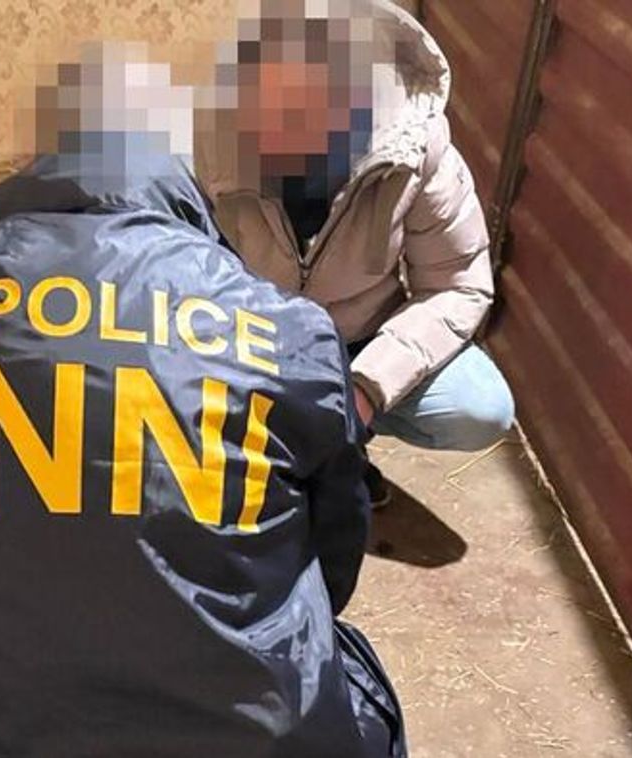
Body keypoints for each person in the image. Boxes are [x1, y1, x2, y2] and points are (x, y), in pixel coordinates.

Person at [0, 42, 405, 757]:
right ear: (184, 169)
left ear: (37, 159)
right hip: (251, 740)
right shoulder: (291, 331)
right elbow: (335, 559)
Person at [198, 0, 515, 503]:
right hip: (242, 338)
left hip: (355, 342)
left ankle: (341, 453)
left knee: (479, 406)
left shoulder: (415, 147)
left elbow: (457, 285)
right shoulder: (204, 139)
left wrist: (366, 389)